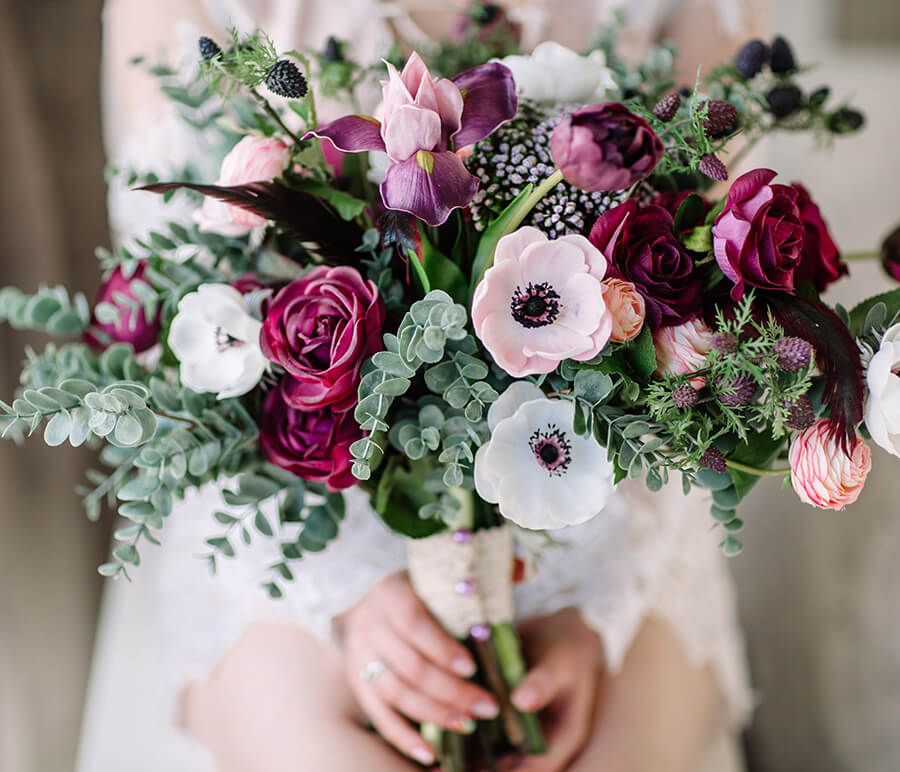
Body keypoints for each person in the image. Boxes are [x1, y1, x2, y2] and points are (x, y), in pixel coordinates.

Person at [78, 2, 761, 770]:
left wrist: (595, 608)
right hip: (300, 508)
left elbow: (698, 325)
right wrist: (350, 597)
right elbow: (184, 337)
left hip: (603, 486)